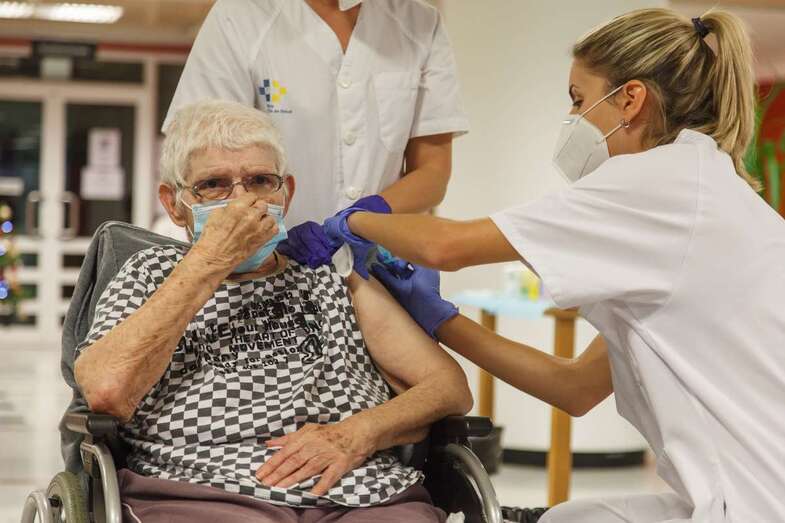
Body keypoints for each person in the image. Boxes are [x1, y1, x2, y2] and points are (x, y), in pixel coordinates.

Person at [311, 8, 785, 523]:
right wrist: (440, 320)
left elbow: (450, 246)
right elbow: (575, 387)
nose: (573, 118)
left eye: (579, 100)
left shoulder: (661, 181)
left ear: (630, 98)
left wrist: (352, 220)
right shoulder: (702, 188)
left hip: (756, 497)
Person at [73, 100, 472, 523]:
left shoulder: (330, 275)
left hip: (361, 489)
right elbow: (105, 390)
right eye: (213, 185)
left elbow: (448, 387)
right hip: (200, 491)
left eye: (261, 181)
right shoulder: (149, 274)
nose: (242, 201)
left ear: (287, 193)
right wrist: (209, 263)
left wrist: (358, 433)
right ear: (174, 204)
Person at [162, 0, 469, 268]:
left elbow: (433, 172)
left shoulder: (420, 24)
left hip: (378, 269)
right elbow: (200, 160)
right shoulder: (239, 16)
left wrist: (359, 218)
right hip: (267, 267)